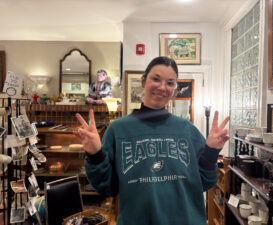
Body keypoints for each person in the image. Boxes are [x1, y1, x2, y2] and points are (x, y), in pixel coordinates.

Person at [75, 56, 230, 225]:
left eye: (170, 83)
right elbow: (106, 187)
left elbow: (205, 182)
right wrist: (95, 154)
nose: (162, 87)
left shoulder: (187, 130)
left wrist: (211, 151)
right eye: (156, 79)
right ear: (143, 81)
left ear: (175, 88)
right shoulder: (118, 130)